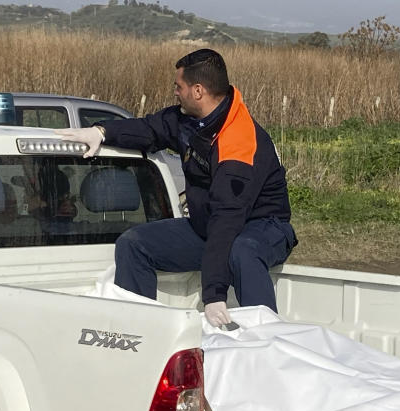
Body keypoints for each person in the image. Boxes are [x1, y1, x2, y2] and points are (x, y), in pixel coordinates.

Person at [60, 48, 296, 328]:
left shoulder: (239, 142)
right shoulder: (188, 120)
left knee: (241, 251)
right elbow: (149, 129)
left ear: (198, 91)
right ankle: (139, 333)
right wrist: (101, 132)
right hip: (209, 224)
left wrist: (214, 294)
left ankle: (267, 338)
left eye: (178, 86)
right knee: (134, 244)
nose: (175, 92)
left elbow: (227, 218)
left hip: (262, 226)